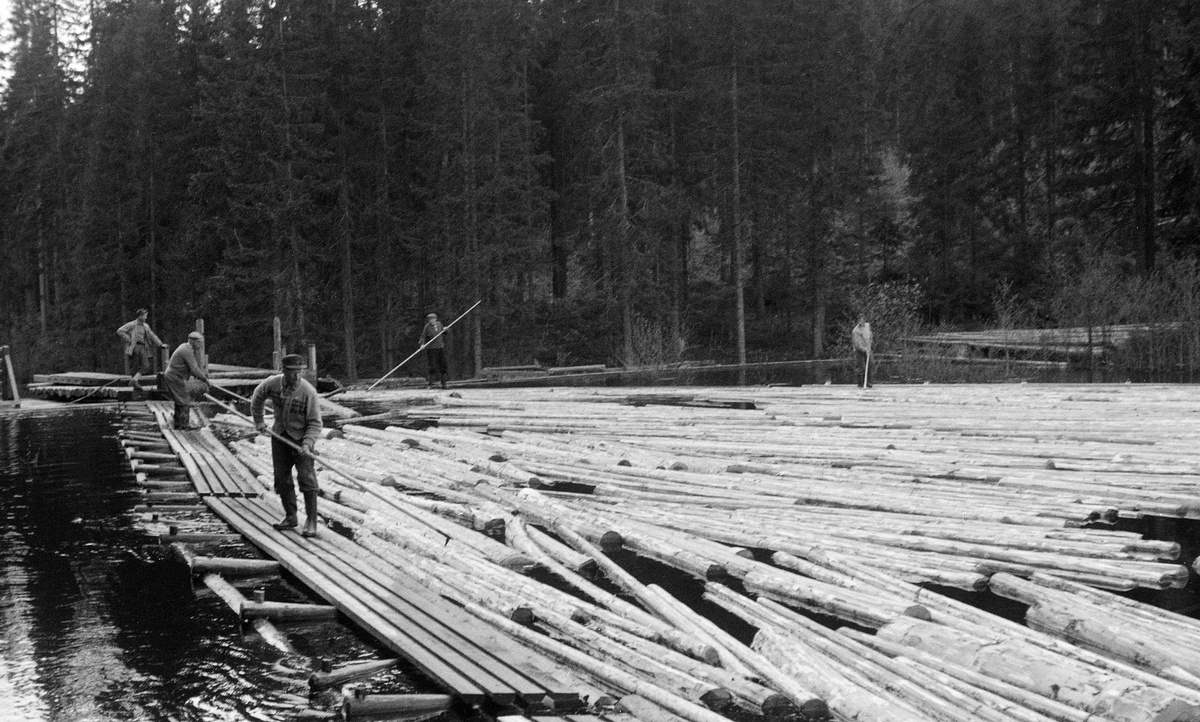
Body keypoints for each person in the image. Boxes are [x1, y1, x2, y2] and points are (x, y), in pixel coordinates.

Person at [251, 353, 324, 537]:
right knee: (281, 480)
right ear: (284, 371)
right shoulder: (273, 383)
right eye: (293, 372)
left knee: (307, 480)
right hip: (280, 437)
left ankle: (311, 521)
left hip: (301, 441)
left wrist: (307, 444)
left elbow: (315, 423)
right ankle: (291, 517)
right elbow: (257, 396)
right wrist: (259, 420)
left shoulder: (308, 392)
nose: (297, 376)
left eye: (300, 372)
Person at [163, 331, 209, 430]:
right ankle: (184, 425)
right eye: (198, 342)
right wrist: (205, 379)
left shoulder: (187, 348)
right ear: (191, 341)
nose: (200, 344)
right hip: (174, 377)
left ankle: (178, 424)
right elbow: (194, 368)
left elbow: (190, 369)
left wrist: (199, 376)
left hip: (174, 376)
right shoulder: (186, 350)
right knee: (184, 400)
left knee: (180, 400)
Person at [116, 309, 165, 391]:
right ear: (140, 316)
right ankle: (136, 385)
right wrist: (128, 338)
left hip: (143, 347)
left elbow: (152, 335)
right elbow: (120, 331)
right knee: (134, 366)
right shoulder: (132, 324)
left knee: (146, 366)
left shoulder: (146, 326)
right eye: (144, 316)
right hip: (134, 347)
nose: (146, 318)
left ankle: (134, 380)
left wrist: (160, 344)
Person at [419, 312, 448, 389]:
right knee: (432, 367)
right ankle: (431, 384)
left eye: (432, 319)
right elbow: (423, 337)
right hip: (431, 349)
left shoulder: (439, 324)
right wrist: (422, 344)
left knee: (443, 366)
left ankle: (444, 384)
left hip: (440, 348)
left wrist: (445, 330)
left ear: (435, 319)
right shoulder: (427, 327)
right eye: (429, 319)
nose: (431, 320)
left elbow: (445, 333)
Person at [851, 318, 873, 388]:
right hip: (859, 350)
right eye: (860, 321)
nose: (861, 322)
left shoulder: (867, 326)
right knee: (861, 366)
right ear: (858, 322)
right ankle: (860, 383)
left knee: (870, 363)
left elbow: (870, 335)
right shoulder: (855, 331)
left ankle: (869, 382)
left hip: (868, 348)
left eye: (862, 321)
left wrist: (869, 345)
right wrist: (864, 350)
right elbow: (857, 344)